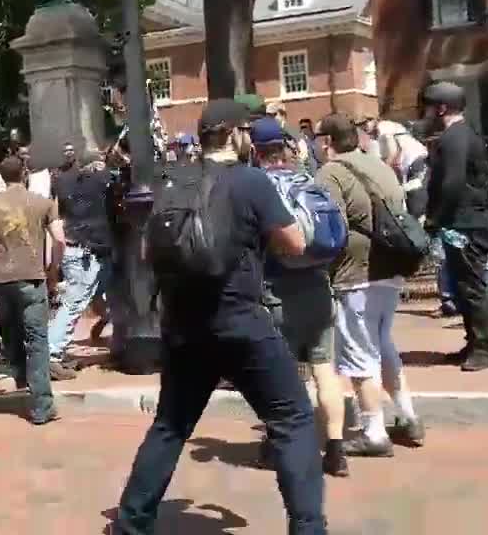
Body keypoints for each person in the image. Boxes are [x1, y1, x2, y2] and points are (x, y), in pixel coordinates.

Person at [115, 99, 324, 535]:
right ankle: (308, 527)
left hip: (184, 327)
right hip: (241, 322)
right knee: (293, 420)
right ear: (232, 134)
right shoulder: (251, 181)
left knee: (170, 426)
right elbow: (296, 243)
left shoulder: (172, 182)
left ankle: (131, 524)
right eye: (247, 130)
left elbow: (146, 252)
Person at [314, 113, 425, 458]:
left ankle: (374, 431)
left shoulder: (330, 172)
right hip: (391, 266)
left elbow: (332, 229)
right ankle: (408, 416)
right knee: (382, 343)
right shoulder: (379, 166)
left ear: (327, 142)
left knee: (360, 353)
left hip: (355, 273)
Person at [251, 117, 349, 477]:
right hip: (319, 289)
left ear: (255, 150)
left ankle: (282, 445)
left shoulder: (260, 187)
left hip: (279, 292)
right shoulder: (308, 180)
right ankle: (336, 450)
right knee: (326, 371)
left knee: (286, 378)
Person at [0, 155, 67, 425]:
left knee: (10, 328)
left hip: (2, 278)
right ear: (24, 173)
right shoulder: (43, 203)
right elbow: (59, 239)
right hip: (32, 277)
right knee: (37, 339)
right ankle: (42, 406)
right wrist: (52, 268)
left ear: (2, 176)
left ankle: (21, 374)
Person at [423, 81, 488, 371]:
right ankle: (473, 342)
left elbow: (452, 183)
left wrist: (435, 218)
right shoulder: (462, 134)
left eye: (430, 107)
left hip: (465, 223)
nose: (428, 113)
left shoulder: (454, 137)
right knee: (464, 286)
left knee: (472, 286)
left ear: (442, 108)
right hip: (465, 221)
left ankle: (484, 348)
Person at [47, 150, 113, 377]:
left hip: (76, 249)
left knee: (93, 294)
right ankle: (50, 353)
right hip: (86, 253)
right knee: (74, 303)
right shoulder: (102, 180)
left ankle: (55, 350)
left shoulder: (62, 182)